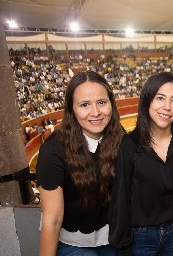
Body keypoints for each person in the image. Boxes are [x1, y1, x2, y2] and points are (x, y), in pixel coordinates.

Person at [109, 72, 173, 256]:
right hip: (139, 238)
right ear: (147, 101)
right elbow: (121, 199)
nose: (167, 107)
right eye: (160, 98)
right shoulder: (129, 144)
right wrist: (123, 249)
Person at [36, 70, 124, 255]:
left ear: (111, 104)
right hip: (73, 245)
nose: (96, 113)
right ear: (72, 110)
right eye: (85, 105)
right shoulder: (53, 151)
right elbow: (52, 220)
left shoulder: (119, 136)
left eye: (101, 102)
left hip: (116, 238)